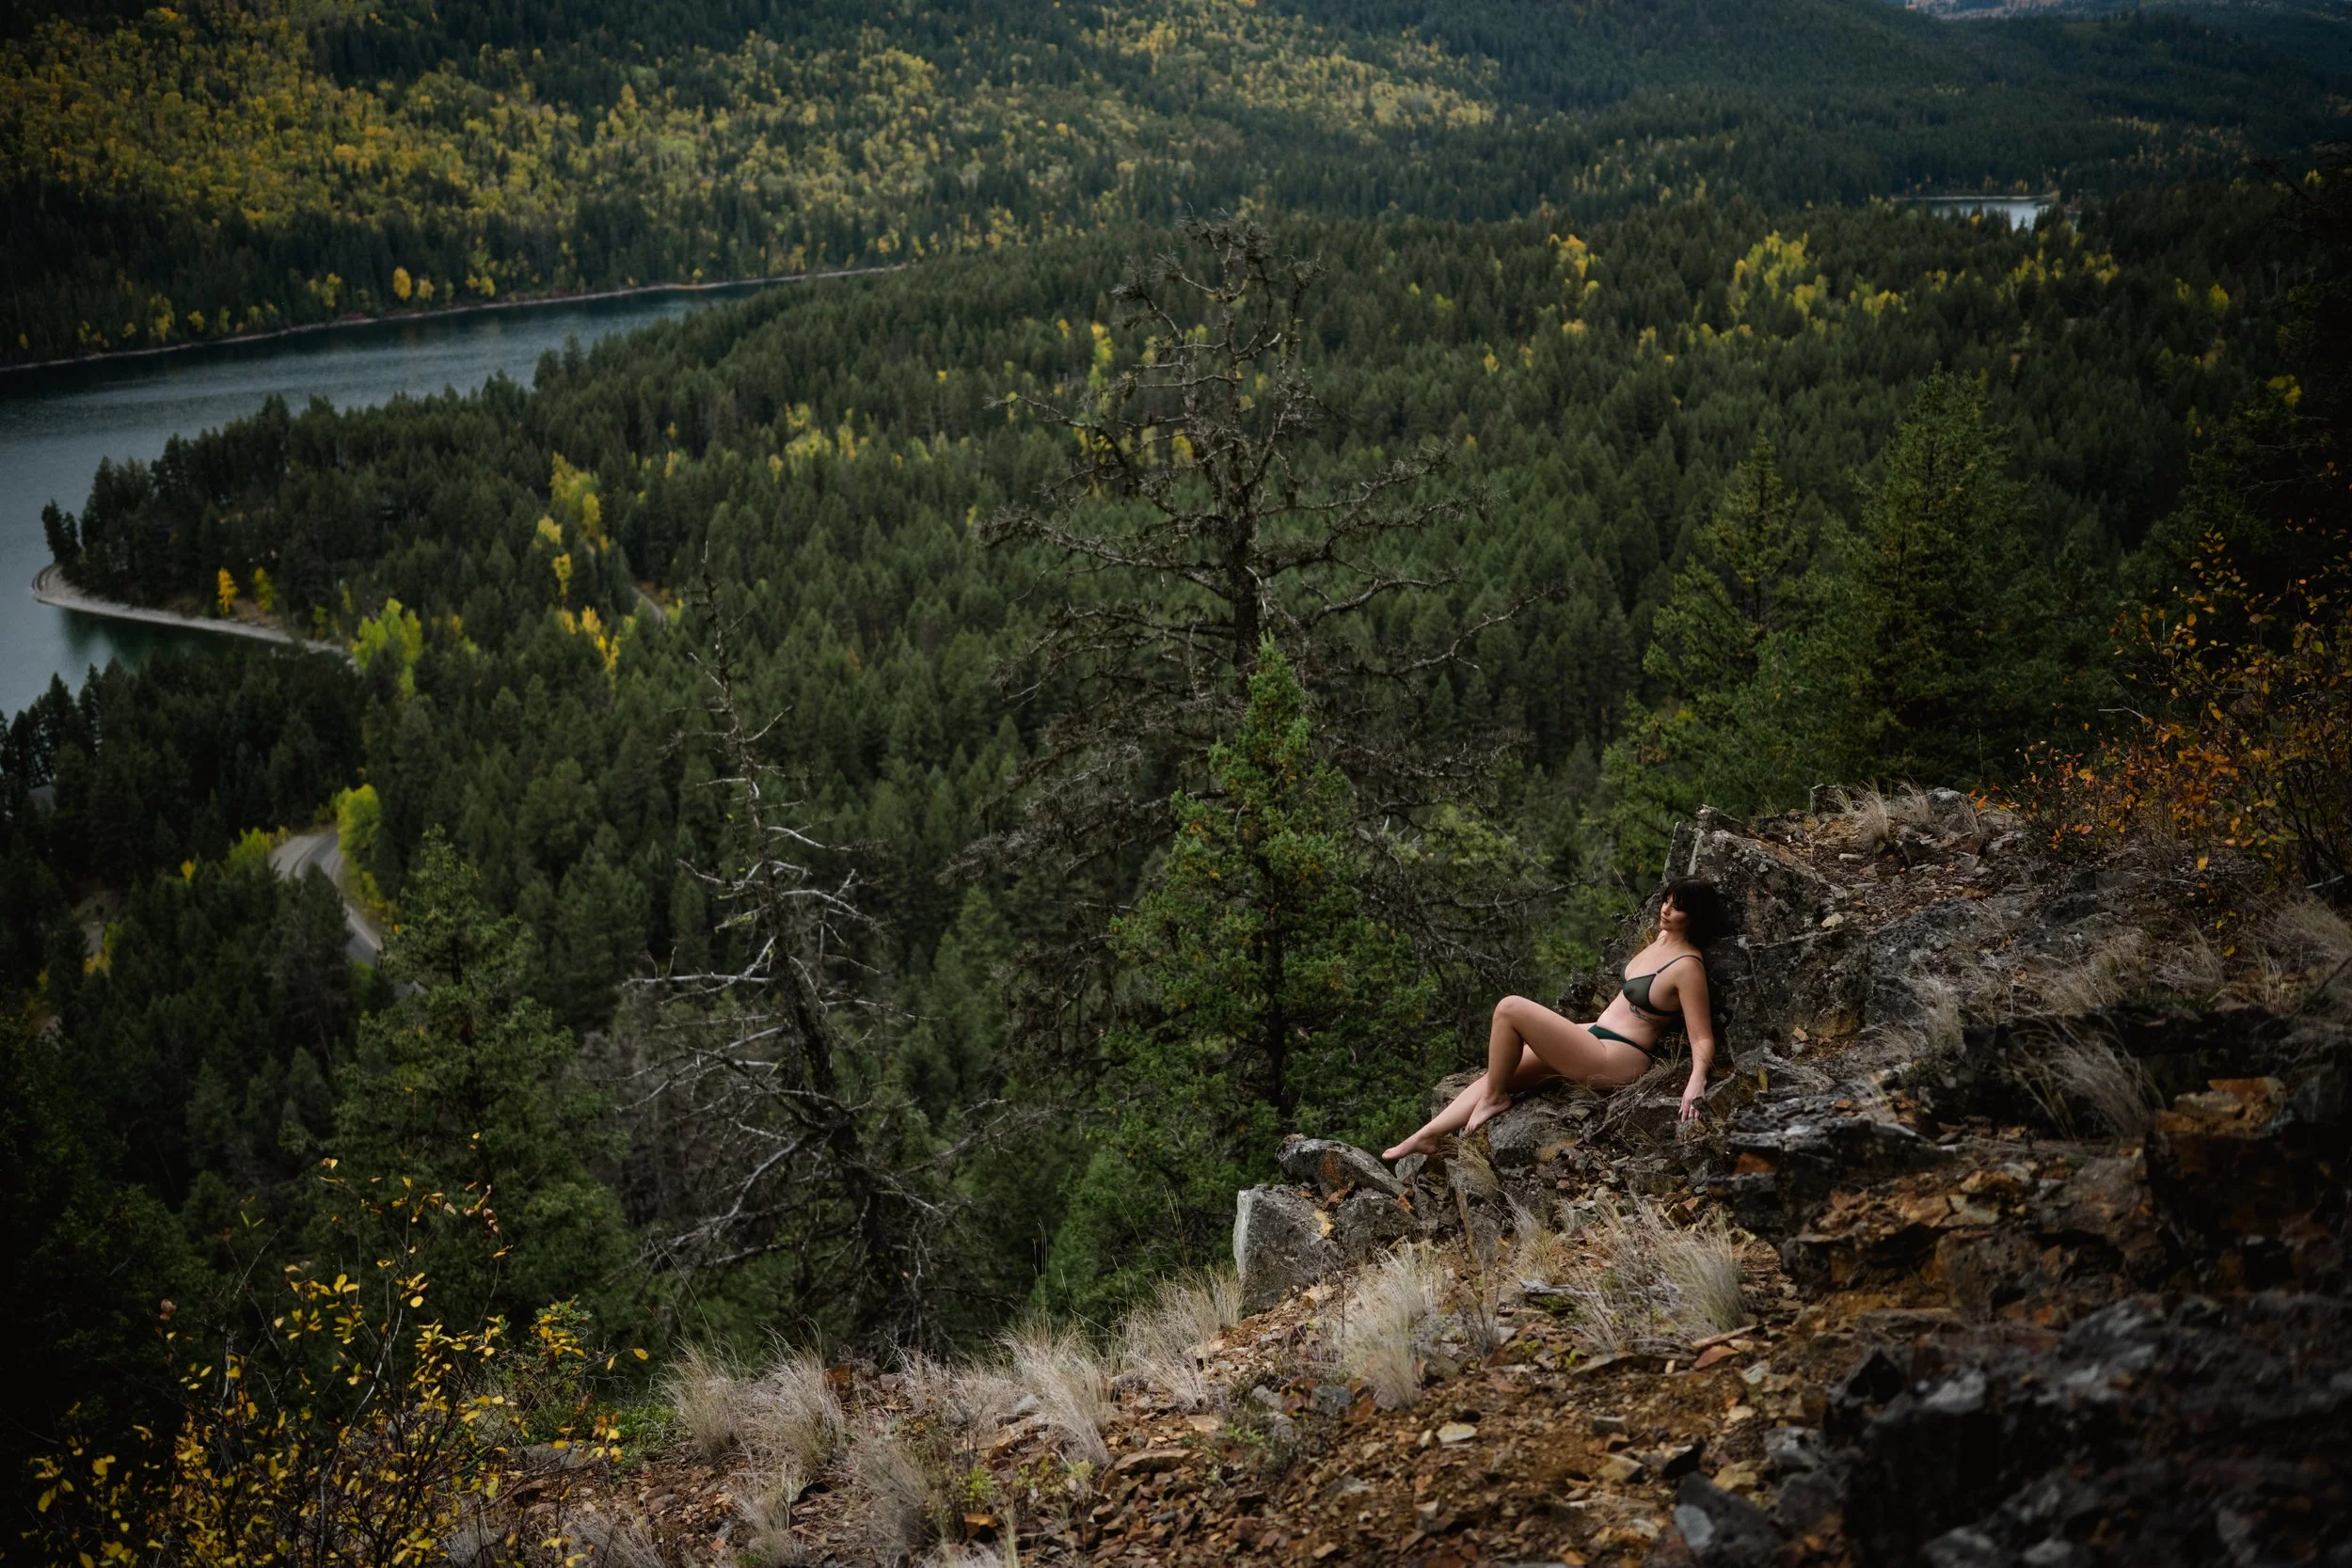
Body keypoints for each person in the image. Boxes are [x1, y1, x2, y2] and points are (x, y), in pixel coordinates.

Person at [1383, 879, 1728, 1162]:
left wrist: (1696, 1079)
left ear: (1695, 917)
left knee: (1509, 1008)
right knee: (1499, 1073)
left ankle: (1495, 1099)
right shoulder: (1663, 937)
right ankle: (1427, 1135)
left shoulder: (1687, 966)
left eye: (1676, 907)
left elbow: (1701, 1036)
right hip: (1596, 1035)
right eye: (1666, 901)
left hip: (1618, 1056)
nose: (1665, 909)